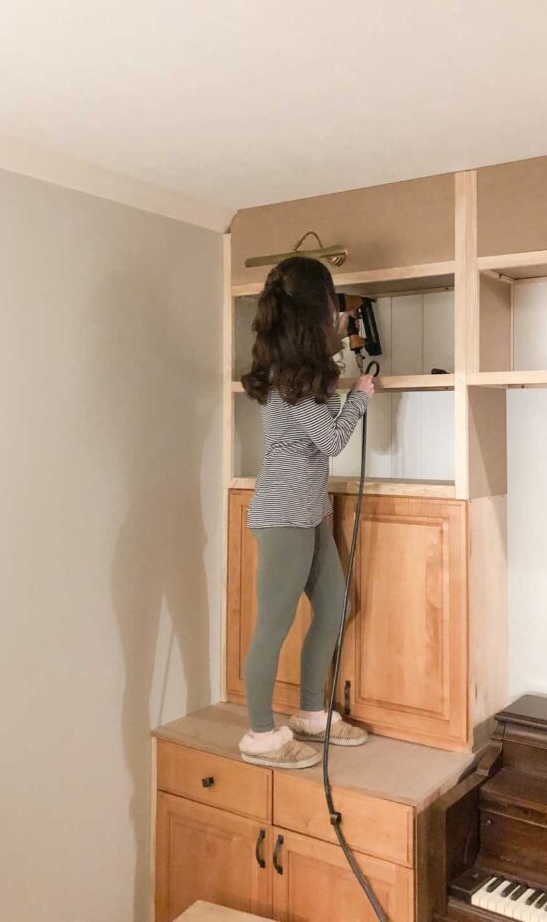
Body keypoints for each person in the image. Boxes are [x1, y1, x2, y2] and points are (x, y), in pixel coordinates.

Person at [237, 256, 374, 768]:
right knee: (273, 625)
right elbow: (333, 439)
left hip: (310, 512)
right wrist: (359, 397)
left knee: (335, 606)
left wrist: (340, 351)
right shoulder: (294, 388)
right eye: (331, 308)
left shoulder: (296, 378)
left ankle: (312, 713)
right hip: (283, 518)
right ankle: (260, 734)